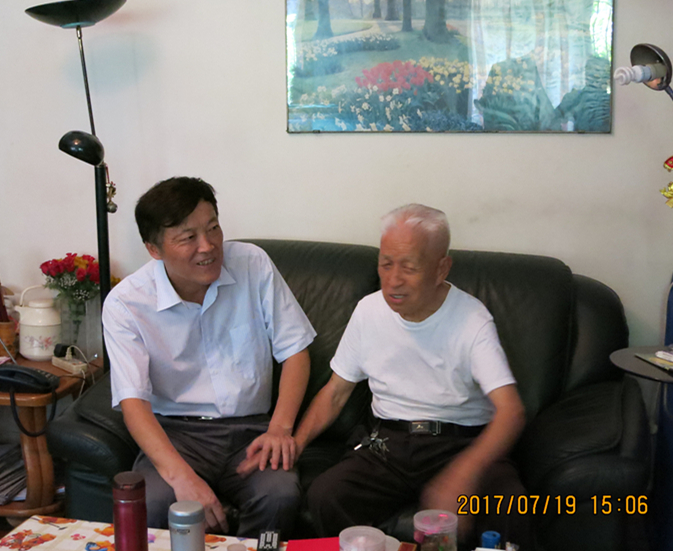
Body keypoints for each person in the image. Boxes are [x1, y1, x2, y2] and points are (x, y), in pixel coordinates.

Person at [289, 204, 527, 544]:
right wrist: (295, 445)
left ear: (441, 268)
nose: (394, 280)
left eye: (410, 267)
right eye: (386, 264)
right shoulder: (369, 311)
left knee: (510, 506)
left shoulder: (472, 320)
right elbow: (336, 392)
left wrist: (461, 474)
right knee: (327, 495)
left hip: (460, 443)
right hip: (387, 445)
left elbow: (511, 411)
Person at [102, 176, 316, 536]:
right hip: (176, 435)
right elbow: (132, 401)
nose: (208, 246)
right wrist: (180, 477)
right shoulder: (126, 304)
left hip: (251, 431)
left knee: (279, 496)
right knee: (153, 502)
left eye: (213, 228)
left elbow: (295, 350)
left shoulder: (252, 264)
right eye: (188, 237)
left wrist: (280, 429)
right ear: (154, 249)